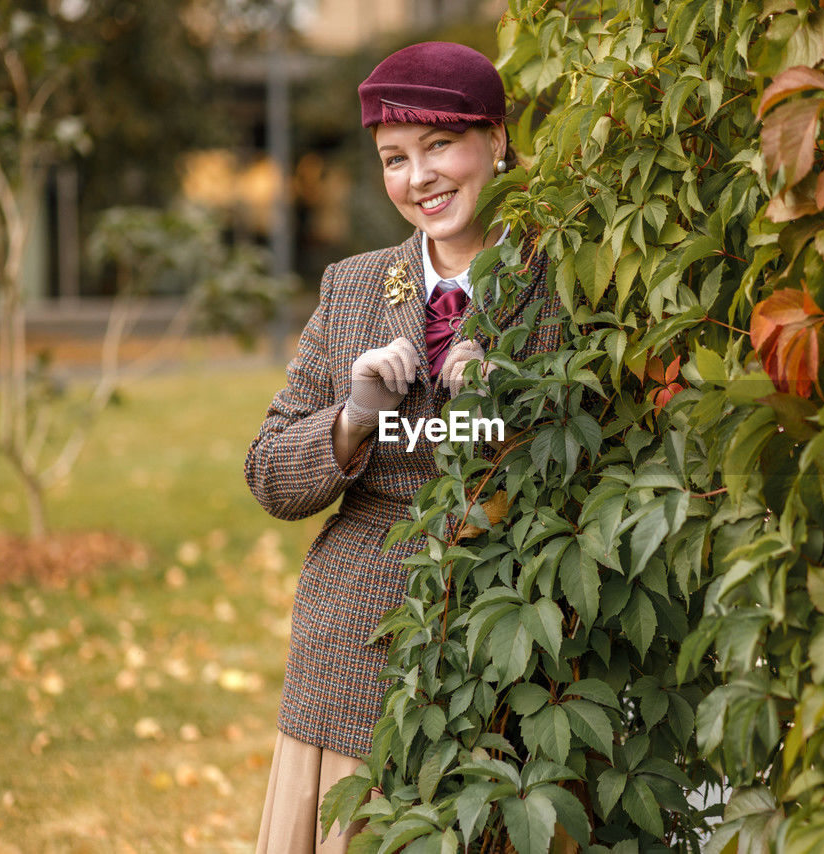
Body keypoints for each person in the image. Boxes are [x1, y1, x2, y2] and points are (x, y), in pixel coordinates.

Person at [245, 41, 560, 852]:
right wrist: (353, 415)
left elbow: (607, 456)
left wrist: (509, 399)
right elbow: (270, 476)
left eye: (439, 145)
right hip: (358, 650)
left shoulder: (564, 279)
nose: (417, 178)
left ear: (496, 139)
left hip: (525, 646)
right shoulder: (352, 287)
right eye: (393, 158)